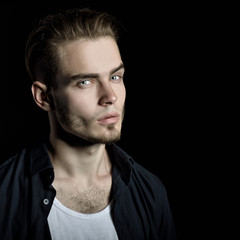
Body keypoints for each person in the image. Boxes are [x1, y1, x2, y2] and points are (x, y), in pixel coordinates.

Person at [0, 8, 177, 240]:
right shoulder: (4, 195)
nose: (110, 96)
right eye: (85, 81)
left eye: (115, 77)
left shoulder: (150, 191)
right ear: (44, 97)